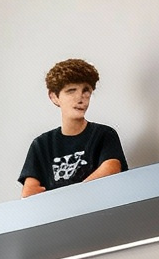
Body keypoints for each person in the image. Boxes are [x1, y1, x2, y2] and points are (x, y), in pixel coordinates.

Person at [19, 59, 126, 194]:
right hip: (59, 215)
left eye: (86, 91)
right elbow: (29, 193)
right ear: (54, 97)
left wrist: (70, 196)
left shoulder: (103, 134)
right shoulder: (41, 145)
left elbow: (111, 168)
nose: (80, 98)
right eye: (71, 91)